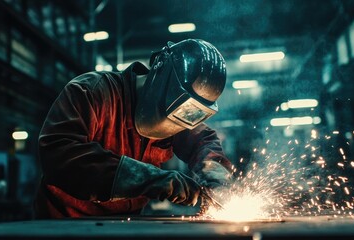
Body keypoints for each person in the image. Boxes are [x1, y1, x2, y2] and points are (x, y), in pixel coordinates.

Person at [34, 39, 233, 218]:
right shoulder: (91, 92)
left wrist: (215, 175)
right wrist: (149, 178)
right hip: (65, 223)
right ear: (159, 74)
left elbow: (204, 140)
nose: (175, 124)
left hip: (125, 224)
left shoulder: (181, 113)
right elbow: (57, 155)